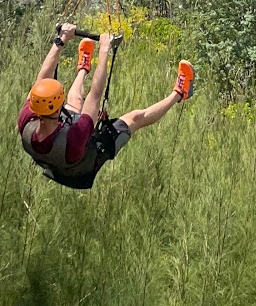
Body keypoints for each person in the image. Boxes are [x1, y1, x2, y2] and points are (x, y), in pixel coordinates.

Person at [18, 22, 195, 189]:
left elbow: (41, 79)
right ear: (58, 107)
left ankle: (83, 68)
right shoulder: (76, 137)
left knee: (75, 103)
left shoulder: (27, 120)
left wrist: (61, 40)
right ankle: (180, 92)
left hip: (57, 152)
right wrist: (104, 51)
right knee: (135, 118)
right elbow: (95, 95)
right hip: (82, 165)